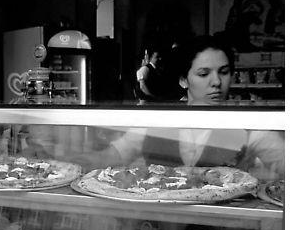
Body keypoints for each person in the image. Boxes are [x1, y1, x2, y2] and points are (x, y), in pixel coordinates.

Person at [77, 35, 284, 181]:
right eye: (204, 74)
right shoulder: (159, 121)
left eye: (224, 72)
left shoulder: (250, 128)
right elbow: (112, 156)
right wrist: (63, 158)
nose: (216, 82)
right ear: (184, 80)